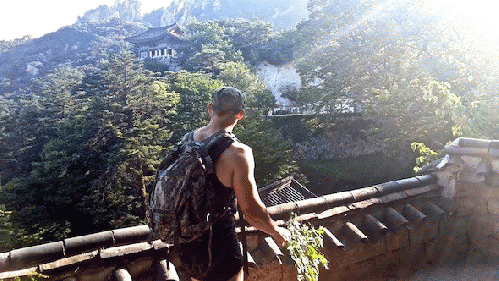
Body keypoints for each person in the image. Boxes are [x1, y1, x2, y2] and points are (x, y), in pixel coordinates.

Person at [176, 87, 290, 281]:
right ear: (240, 114)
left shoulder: (187, 140)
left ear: (210, 109)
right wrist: (277, 233)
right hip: (220, 248)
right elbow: (251, 211)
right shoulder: (238, 153)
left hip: (188, 244)